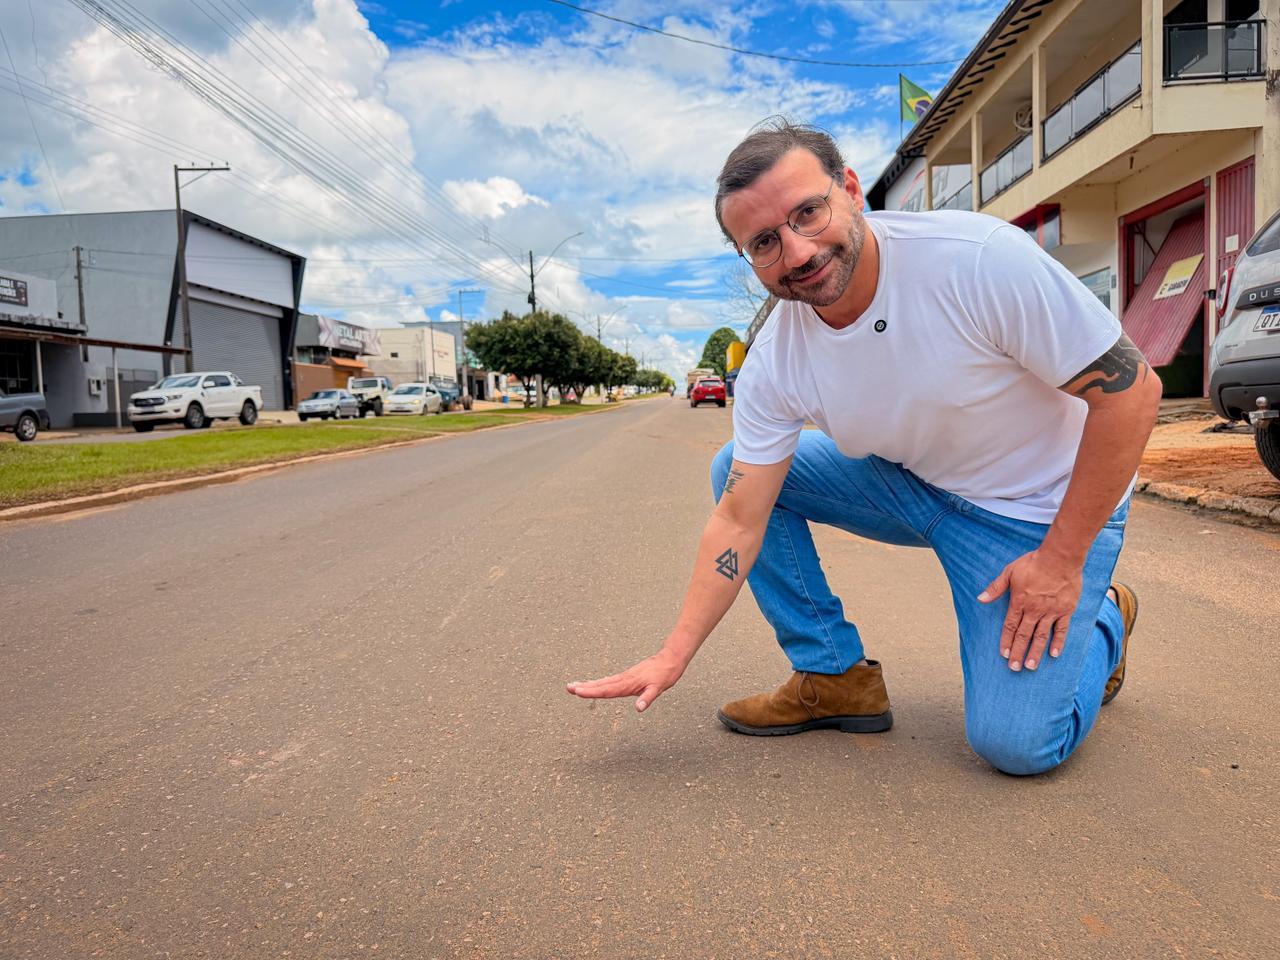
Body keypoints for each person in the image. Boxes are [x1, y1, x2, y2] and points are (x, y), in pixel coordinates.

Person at [567, 119, 1160, 776]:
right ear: (747, 256)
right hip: (916, 484)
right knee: (733, 472)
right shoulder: (775, 361)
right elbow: (738, 520)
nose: (795, 252)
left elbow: (1131, 395)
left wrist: (1060, 562)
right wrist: (672, 653)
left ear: (851, 189)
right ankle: (833, 675)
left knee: (1017, 747)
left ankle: (1104, 616)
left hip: (1039, 512)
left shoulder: (976, 259)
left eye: (808, 213)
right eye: (764, 241)